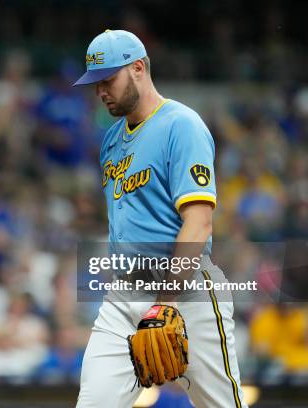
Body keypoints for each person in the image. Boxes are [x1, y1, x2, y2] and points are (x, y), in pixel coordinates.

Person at [73, 30, 246, 407]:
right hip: (124, 293)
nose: (101, 91)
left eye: (108, 80)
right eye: (95, 84)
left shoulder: (181, 125)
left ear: (138, 68)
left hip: (185, 290)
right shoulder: (111, 140)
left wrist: (165, 302)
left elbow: (199, 223)